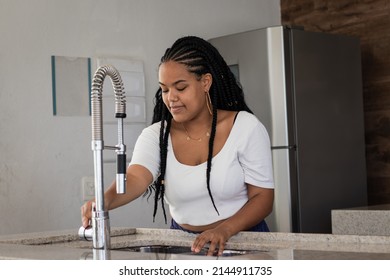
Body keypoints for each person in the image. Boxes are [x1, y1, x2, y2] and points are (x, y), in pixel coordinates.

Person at [81, 36, 274, 256]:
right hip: (184, 246)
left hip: (244, 240)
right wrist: (104, 200)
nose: (171, 98)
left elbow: (263, 198)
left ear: (205, 82)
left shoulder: (245, 127)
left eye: (180, 87)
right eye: (164, 90)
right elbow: (135, 178)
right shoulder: (157, 136)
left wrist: (224, 230)